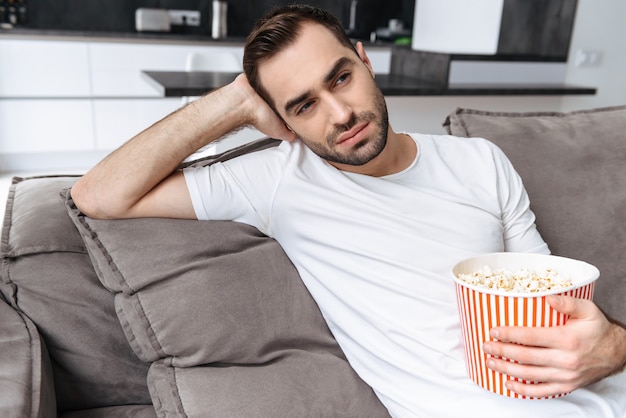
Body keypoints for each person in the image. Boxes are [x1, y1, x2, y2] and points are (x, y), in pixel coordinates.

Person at [71, 4, 626, 417]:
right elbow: (99, 195)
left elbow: (556, 300)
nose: (339, 114)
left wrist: (614, 347)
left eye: (341, 77)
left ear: (365, 60)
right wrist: (233, 103)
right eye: (304, 104)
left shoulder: (480, 160)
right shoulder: (275, 181)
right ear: (281, 120)